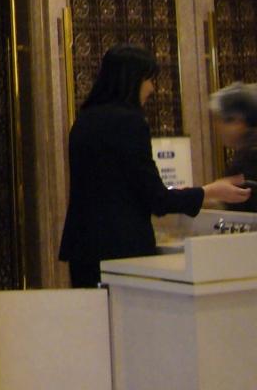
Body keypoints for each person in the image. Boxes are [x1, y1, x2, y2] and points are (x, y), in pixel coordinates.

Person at [59, 44, 251, 288]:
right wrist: (209, 191)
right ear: (133, 79)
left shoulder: (84, 121)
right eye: (149, 79)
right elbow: (156, 198)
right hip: (122, 249)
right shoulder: (129, 123)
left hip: (83, 250)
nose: (152, 88)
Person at [209, 82, 257, 213]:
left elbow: (239, 203)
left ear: (237, 120)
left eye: (219, 120)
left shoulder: (249, 158)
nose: (217, 128)